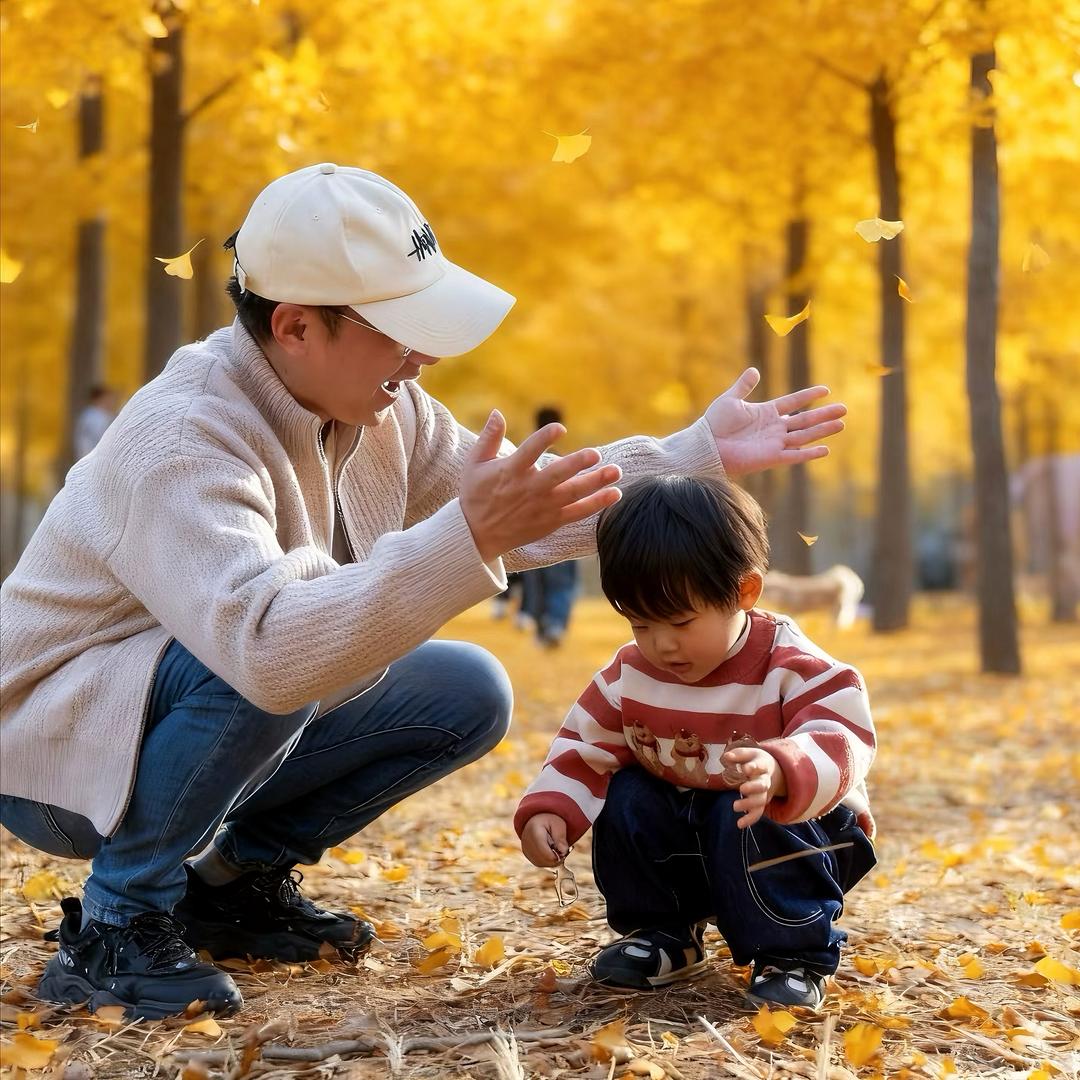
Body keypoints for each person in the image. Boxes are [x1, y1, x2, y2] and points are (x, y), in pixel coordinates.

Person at [0, 163, 847, 1021]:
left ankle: (231, 884)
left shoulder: (381, 406)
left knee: (466, 690)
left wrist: (691, 456)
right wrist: (467, 537)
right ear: (295, 326)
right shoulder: (182, 439)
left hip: (189, 716)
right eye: (400, 330)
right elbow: (267, 648)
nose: (425, 355)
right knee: (273, 654)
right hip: (58, 755)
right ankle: (118, 920)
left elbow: (522, 504)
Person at [516, 475, 876, 1009]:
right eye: (640, 622)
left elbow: (844, 734)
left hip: (799, 841)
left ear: (744, 592)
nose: (661, 643)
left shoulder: (789, 665)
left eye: (682, 621)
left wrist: (782, 769)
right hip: (688, 838)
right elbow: (584, 745)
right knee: (629, 791)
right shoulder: (631, 675)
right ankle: (664, 932)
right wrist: (551, 809)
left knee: (746, 806)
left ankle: (793, 951)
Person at [519, 407, 581, 647]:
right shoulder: (564, 458)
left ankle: (544, 626)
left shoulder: (527, 457)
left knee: (538, 584)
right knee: (562, 583)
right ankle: (555, 624)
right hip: (564, 528)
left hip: (534, 532)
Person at [73, 385, 117, 459]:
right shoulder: (93, 416)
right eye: (108, 398)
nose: (112, 402)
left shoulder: (100, 414)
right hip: (92, 458)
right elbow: (103, 437)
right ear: (99, 398)